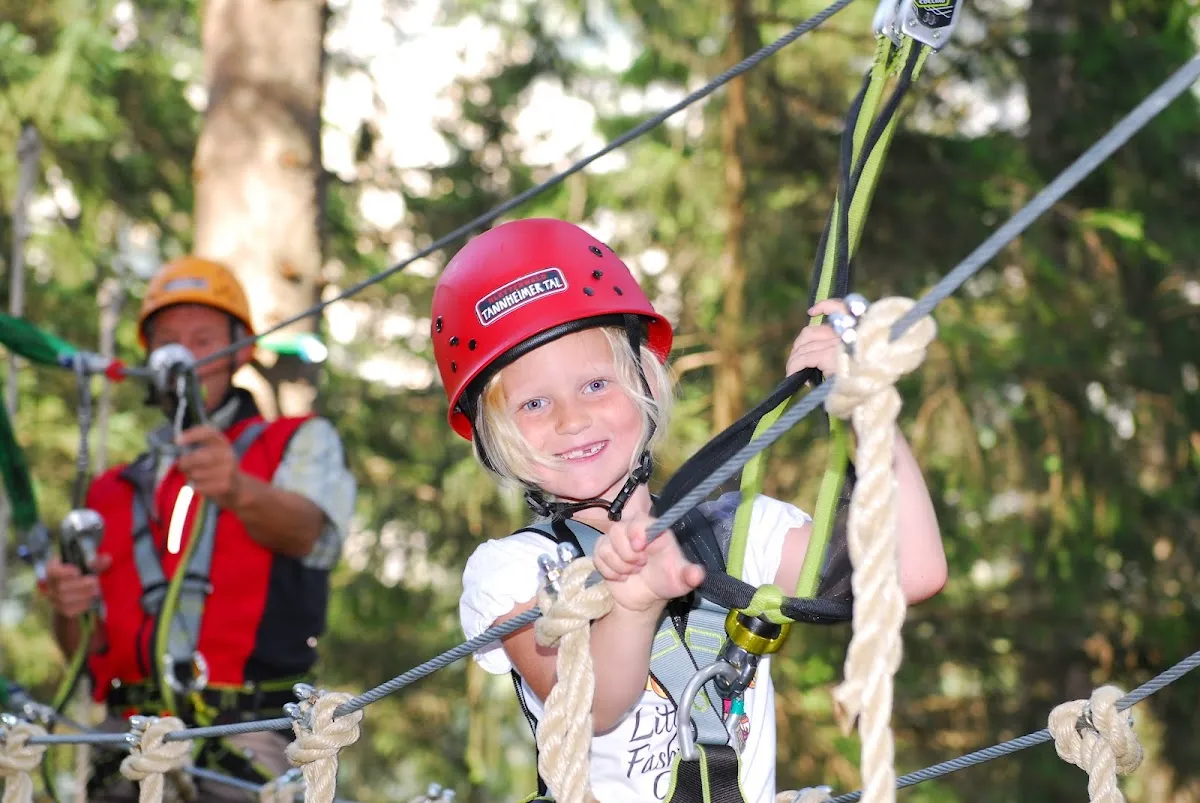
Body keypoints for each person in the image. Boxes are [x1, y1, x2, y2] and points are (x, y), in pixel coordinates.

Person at [431, 218, 947, 802]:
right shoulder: (518, 570)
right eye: (533, 403)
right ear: (495, 436)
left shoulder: (736, 530)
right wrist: (631, 606)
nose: (570, 420)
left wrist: (863, 407)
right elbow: (583, 707)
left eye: (596, 385)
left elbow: (912, 571)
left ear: (644, 381)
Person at [39, 255, 357, 801]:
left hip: (247, 739)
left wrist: (236, 490)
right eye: (168, 341)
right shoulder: (108, 493)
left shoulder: (297, 442)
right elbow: (81, 654)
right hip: (126, 745)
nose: (182, 357)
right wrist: (68, 609)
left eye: (204, 339)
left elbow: (309, 532)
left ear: (244, 349)